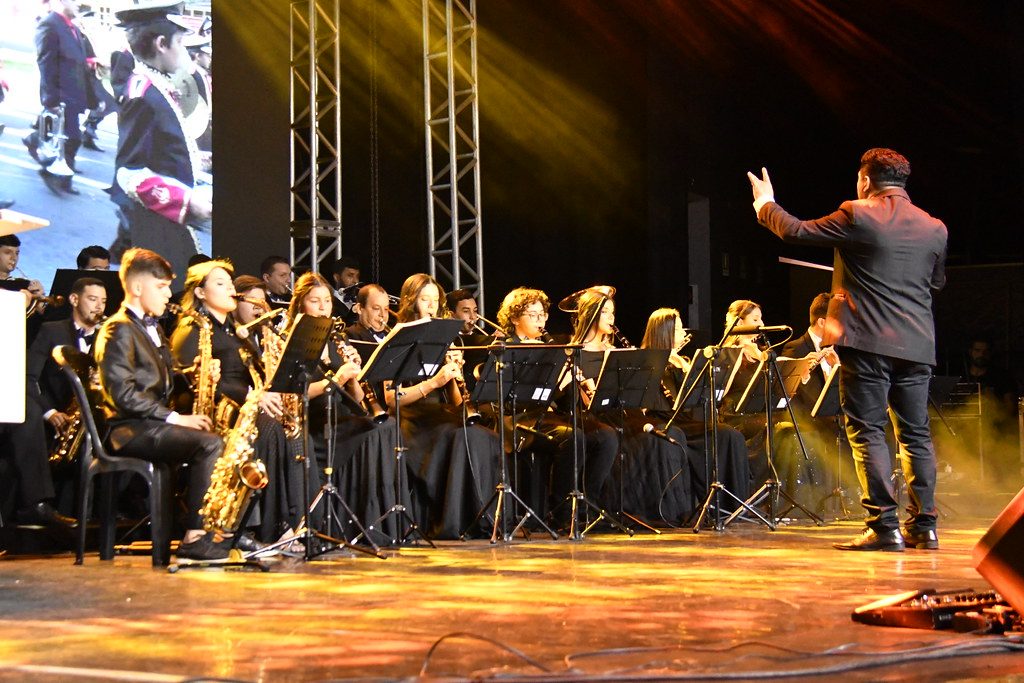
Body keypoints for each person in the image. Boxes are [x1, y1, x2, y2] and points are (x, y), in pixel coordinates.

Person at [748, 147, 947, 551]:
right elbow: (936, 283)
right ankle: (924, 526)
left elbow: (797, 231)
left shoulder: (858, 213)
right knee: (915, 435)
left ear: (865, 181)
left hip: (867, 342)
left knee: (869, 430)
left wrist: (765, 203)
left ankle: (883, 526)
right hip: (917, 344)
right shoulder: (935, 228)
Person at [93, 248, 226, 561]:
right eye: (161, 287)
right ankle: (195, 536)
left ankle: (222, 530)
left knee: (222, 440)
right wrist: (174, 418)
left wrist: (194, 374)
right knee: (208, 445)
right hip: (127, 429)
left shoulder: (151, 327)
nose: (169, 294)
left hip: (149, 423)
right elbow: (122, 394)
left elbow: (164, 379)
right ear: (138, 288)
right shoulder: (118, 329)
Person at [386, 273, 500, 538]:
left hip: (441, 413)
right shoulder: (398, 335)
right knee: (460, 436)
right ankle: (451, 523)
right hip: (412, 418)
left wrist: (453, 375)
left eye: (435, 300)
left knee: (485, 436)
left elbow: (458, 402)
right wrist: (434, 382)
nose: (431, 306)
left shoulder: (443, 337)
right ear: (411, 301)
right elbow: (393, 399)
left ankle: (480, 520)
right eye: (425, 299)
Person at [570, 289, 692, 526]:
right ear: (589, 315)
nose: (611, 318)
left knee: (671, 433)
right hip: (597, 418)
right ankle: (639, 510)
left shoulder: (615, 352)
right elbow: (579, 402)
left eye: (612, 312)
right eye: (604, 312)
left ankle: (671, 511)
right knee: (648, 441)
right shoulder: (575, 354)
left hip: (623, 413)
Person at [109, 2, 209, 282]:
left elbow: (161, 148)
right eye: (180, 41)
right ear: (162, 43)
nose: (184, 50)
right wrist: (186, 201)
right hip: (158, 224)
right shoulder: (143, 95)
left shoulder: (157, 86)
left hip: (169, 221)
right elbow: (130, 172)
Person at [641, 307, 750, 519]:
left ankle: (734, 505)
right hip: (665, 419)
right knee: (710, 436)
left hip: (687, 419)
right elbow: (646, 405)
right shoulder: (650, 359)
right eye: (679, 329)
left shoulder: (683, 360)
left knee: (730, 435)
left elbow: (709, 394)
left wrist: (687, 367)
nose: (683, 334)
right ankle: (706, 505)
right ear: (665, 332)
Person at [23, 0, 90, 195]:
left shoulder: (73, 29)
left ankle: (36, 142)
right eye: (74, 1)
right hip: (60, 93)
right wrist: (50, 98)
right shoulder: (49, 25)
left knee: (68, 137)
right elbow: (46, 63)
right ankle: (54, 173)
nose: (79, 4)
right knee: (73, 138)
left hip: (74, 94)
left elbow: (78, 63)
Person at [330, 256, 361, 324]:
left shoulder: (358, 299)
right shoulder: (329, 302)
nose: (356, 281)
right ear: (337, 278)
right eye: (350, 275)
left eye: (357, 276)